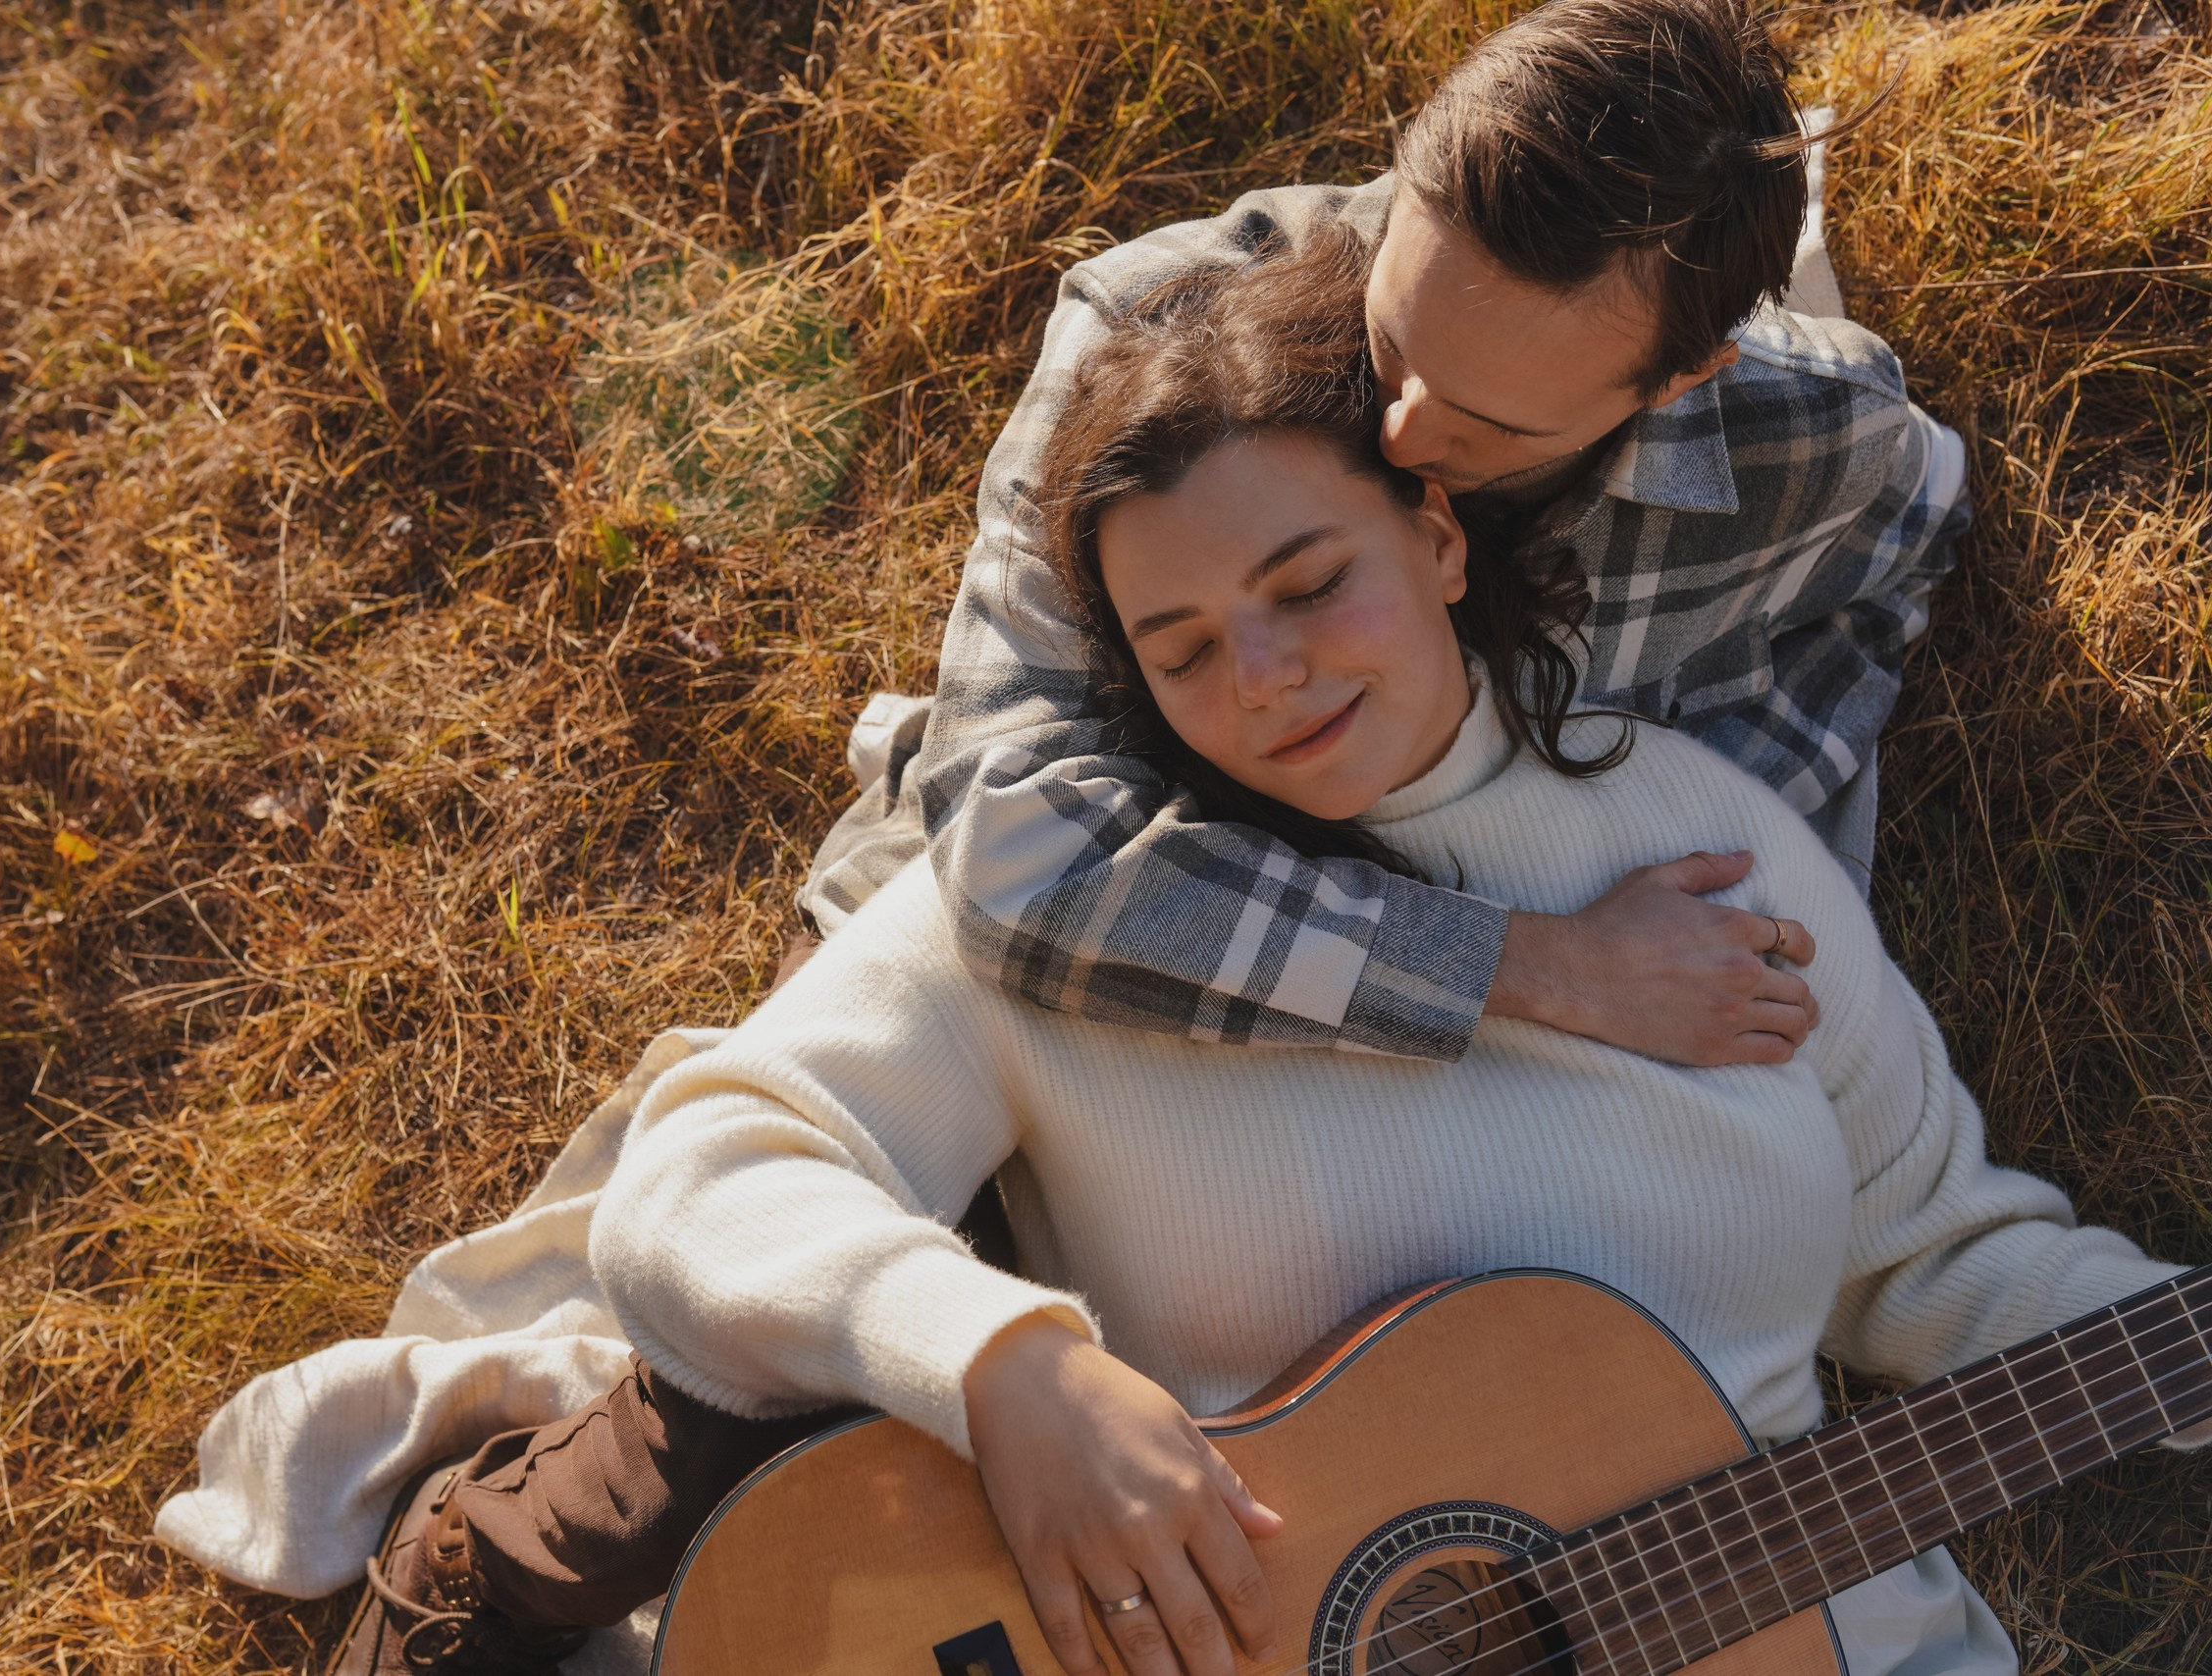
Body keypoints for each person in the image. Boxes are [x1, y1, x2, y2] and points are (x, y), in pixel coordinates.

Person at [585, 226, 2192, 1676]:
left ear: (1436, 537)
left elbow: (1932, 1258)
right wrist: (1001, 1363)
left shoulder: (1698, 845)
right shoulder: (1092, 912)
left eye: (1310, 585)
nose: (1265, 676)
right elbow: (697, 1184)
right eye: (1185, 649)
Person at [799, 0, 1964, 1073]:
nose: (1401, 434)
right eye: (1393, 346)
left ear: (1679, 379)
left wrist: (1704, 806)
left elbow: (1905, 537)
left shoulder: (1800, 435)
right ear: (1407, 179)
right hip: (1144, 922)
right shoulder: (1144, 335)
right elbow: (1013, 854)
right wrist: (1541, 963)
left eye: (1495, 422)